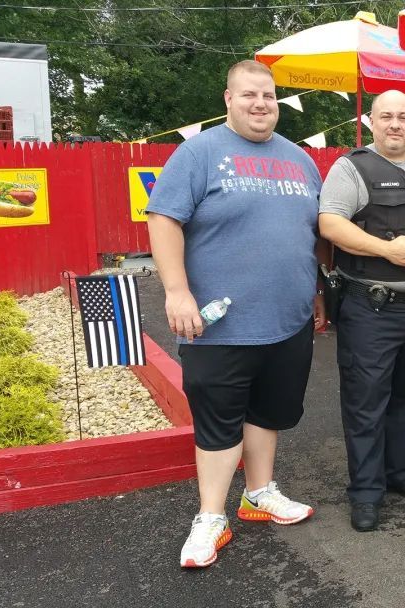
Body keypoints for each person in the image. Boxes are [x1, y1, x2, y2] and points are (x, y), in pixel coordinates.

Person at [147, 59, 326, 568]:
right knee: (219, 420)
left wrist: (314, 293)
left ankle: (259, 494)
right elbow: (163, 221)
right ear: (227, 99)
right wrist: (176, 292)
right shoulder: (198, 153)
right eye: (249, 95)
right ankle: (210, 517)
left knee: (267, 412)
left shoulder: (300, 160)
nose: (261, 104)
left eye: (268, 95)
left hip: (287, 319)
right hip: (217, 322)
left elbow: (309, 236)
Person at [318, 90, 405, 532]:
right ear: (370, 120)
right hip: (370, 307)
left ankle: (399, 472)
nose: (395, 124)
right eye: (386, 117)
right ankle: (366, 491)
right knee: (366, 400)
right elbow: (331, 223)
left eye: (404, 117)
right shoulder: (351, 167)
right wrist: (385, 250)